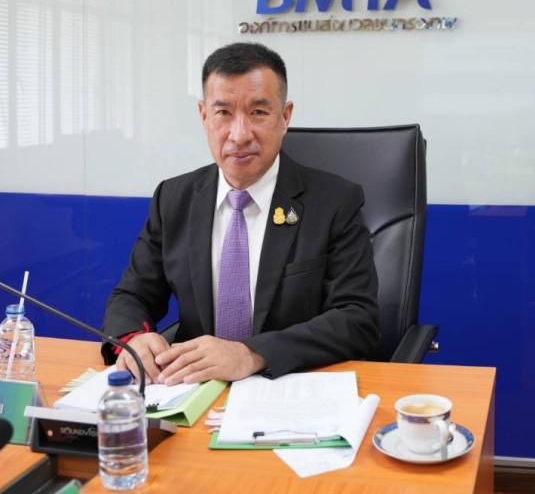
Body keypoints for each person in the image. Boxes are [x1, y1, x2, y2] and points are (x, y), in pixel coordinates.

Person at [101, 42, 380, 384]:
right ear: (204, 116)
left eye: (258, 112)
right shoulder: (173, 199)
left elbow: (357, 318)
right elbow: (132, 295)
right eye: (223, 113)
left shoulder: (335, 202)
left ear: (285, 116)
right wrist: (135, 338)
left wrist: (251, 353)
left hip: (290, 388)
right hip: (193, 391)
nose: (239, 134)